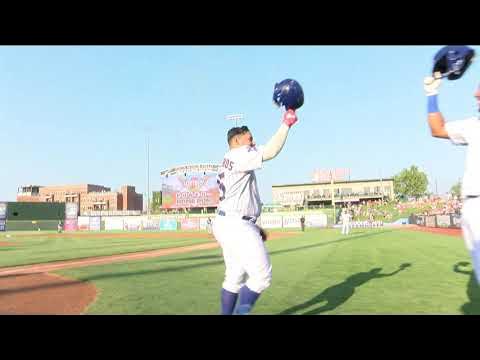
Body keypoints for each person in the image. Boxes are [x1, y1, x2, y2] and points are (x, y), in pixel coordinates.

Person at [212, 109, 299, 315]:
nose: (252, 143)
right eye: (249, 139)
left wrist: (252, 224)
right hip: (236, 225)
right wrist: (286, 124)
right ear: (235, 141)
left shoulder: (229, 158)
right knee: (261, 277)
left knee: (234, 278)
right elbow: (270, 151)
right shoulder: (239, 154)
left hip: (228, 221)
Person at [424, 72, 480, 285]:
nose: (476, 94)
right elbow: (437, 129)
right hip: (471, 208)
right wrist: (432, 93)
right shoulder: (473, 125)